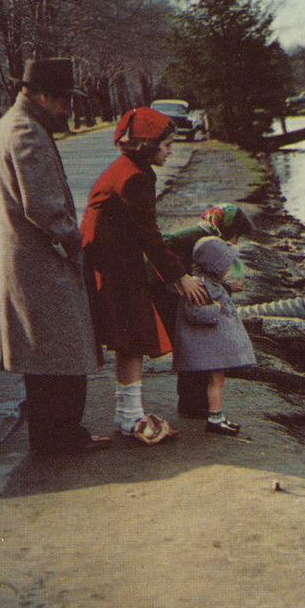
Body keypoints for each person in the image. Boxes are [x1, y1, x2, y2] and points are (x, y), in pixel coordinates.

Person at [0, 58, 109, 457]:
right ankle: (61, 438)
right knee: (60, 356)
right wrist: (74, 242)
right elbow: (44, 207)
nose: (68, 110)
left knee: (46, 358)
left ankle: (54, 438)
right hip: (43, 267)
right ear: (44, 95)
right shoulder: (26, 131)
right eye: (64, 101)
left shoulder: (13, 124)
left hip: (31, 266)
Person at [80, 107, 208, 441]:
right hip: (113, 263)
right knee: (133, 335)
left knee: (128, 337)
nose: (171, 151)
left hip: (111, 258)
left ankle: (127, 414)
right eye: (167, 145)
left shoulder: (130, 168)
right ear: (146, 146)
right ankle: (130, 417)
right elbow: (149, 236)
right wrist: (181, 277)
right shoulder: (134, 178)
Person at [150, 204, 254, 417]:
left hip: (180, 294)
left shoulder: (207, 235)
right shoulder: (197, 235)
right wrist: (181, 276)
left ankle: (195, 403)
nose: (235, 242)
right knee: (193, 349)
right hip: (170, 295)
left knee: (196, 349)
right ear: (229, 229)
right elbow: (163, 244)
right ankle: (192, 404)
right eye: (236, 236)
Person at [172, 237, 256, 435]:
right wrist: (215, 309)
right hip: (211, 350)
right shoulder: (201, 286)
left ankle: (217, 417)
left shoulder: (208, 283)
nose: (227, 269)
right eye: (224, 265)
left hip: (213, 347)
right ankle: (215, 419)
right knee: (215, 383)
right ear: (215, 267)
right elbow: (193, 313)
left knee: (217, 382)